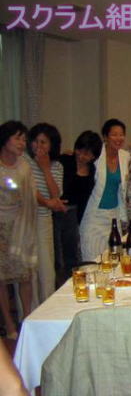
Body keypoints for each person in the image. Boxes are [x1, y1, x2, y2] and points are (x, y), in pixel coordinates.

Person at [0, 121, 37, 341]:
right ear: (5, 139)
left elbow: (29, 197)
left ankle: (27, 318)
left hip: (21, 226)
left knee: (25, 276)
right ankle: (9, 324)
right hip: (1, 228)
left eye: (24, 139)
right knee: (2, 279)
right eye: (17, 138)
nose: (22, 143)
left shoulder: (24, 166)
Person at [54, 131, 102, 286]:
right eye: (79, 150)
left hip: (73, 215)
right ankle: (57, 287)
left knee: (72, 256)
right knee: (57, 257)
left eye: (87, 154)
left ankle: (72, 286)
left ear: (94, 155)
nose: (81, 156)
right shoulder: (65, 161)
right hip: (56, 212)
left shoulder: (92, 170)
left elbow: (85, 198)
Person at [80, 119, 130, 262]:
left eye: (121, 134)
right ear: (105, 137)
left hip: (114, 216)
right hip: (94, 215)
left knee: (114, 258)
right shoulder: (96, 154)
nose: (118, 138)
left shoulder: (125, 156)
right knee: (92, 259)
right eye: (114, 134)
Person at [27, 123, 66, 302]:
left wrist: (45, 169)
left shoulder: (56, 166)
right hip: (24, 219)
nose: (38, 146)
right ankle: (28, 313)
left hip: (43, 220)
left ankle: (46, 308)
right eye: (35, 141)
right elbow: (26, 189)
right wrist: (47, 202)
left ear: (52, 145)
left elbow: (56, 194)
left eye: (43, 142)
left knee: (46, 270)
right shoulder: (24, 161)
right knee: (28, 272)